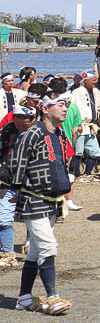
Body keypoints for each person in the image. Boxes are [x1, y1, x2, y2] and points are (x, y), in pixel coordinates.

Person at [7, 95, 73, 314]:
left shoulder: (60, 134)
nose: (65, 109)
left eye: (66, 105)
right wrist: (16, 187)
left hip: (52, 200)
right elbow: (17, 162)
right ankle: (53, 297)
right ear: (45, 109)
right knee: (47, 246)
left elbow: (61, 164)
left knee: (35, 251)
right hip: (33, 197)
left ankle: (24, 298)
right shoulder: (31, 133)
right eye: (60, 105)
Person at [0, 101, 37, 269]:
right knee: (3, 219)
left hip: (31, 183)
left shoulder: (38, 133)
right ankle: (7, 252)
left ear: (32, 119)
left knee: (33, 219)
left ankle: (32, 250)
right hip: (6, 179)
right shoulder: (8, 129)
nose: (20, 125)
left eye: (24, 121)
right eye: (17, 120)